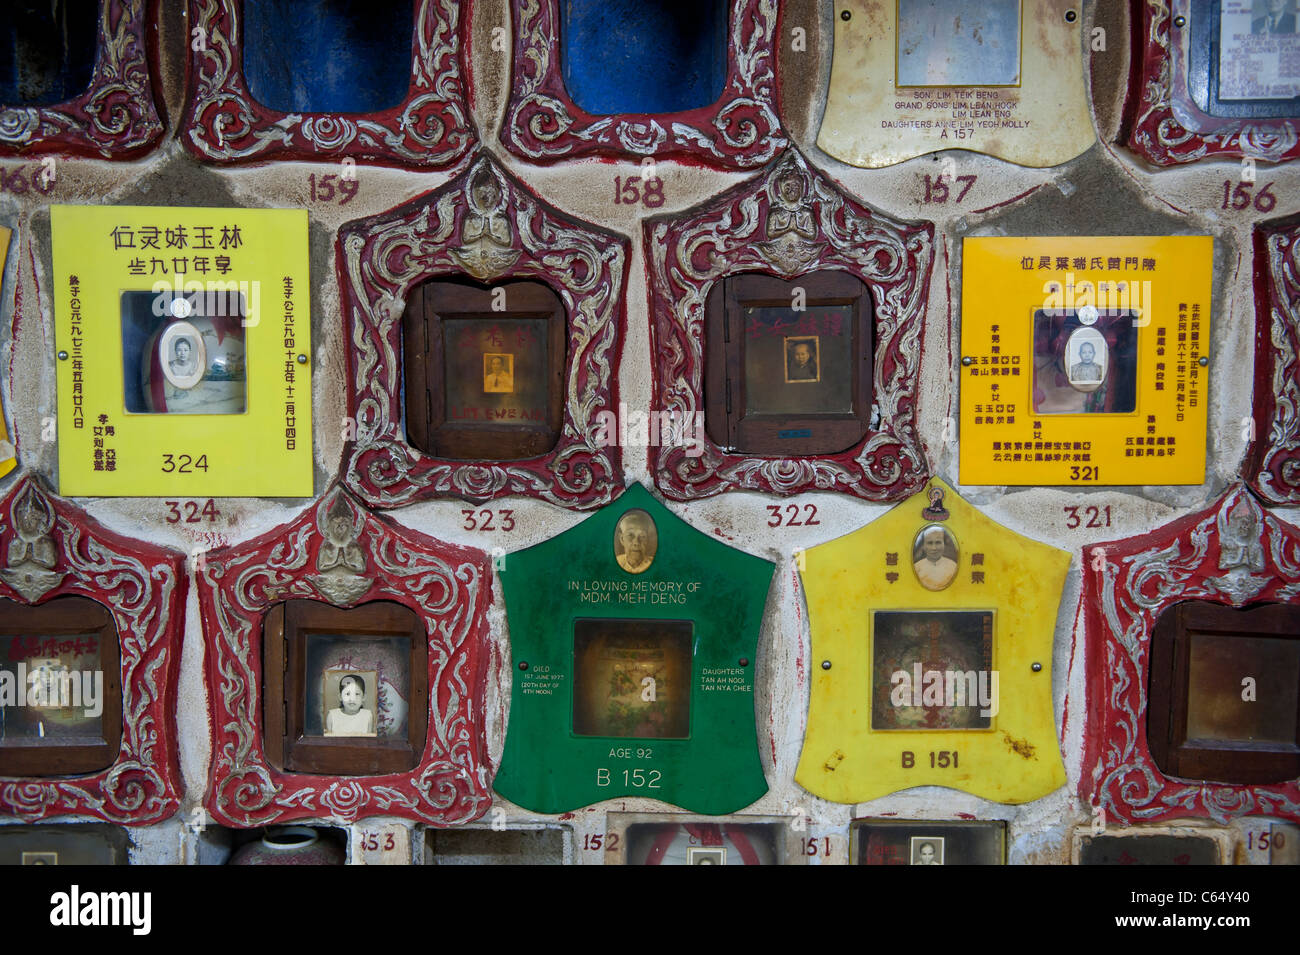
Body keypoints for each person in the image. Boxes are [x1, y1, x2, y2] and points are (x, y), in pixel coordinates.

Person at [913, 526, 957, 591]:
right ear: (923, 546)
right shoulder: (916, 568)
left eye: (938, 542)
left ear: (944, 544)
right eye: (930, 543)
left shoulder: (953, 566)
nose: (934, 548)